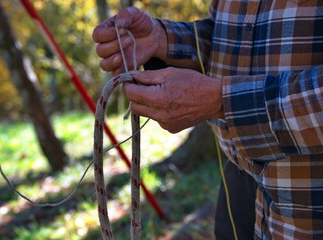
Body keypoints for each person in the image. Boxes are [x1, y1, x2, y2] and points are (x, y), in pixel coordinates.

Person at [92, 1, 323, 239]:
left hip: (308, 209)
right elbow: (234, 35)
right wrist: (163, 39)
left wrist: (224, 101)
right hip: (241, 183)